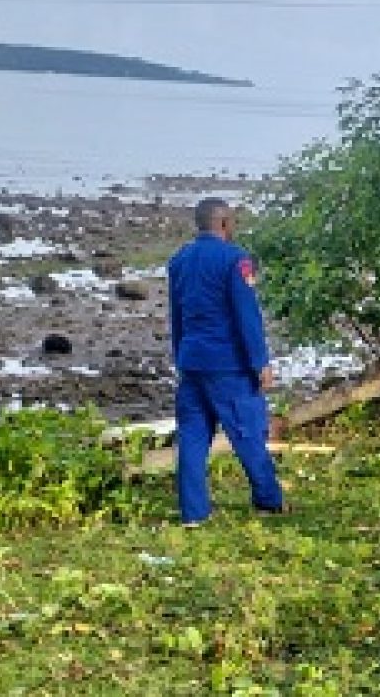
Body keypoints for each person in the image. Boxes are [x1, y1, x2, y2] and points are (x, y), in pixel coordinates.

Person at [167, 198, 286, 526]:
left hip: (192, 361)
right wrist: (260, 361)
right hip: (228, 364)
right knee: (249, 434)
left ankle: (193, 512)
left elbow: (177, 315)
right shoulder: (235, 259)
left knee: (192, 438)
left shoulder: (179, 260)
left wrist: (181, 356)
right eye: (232, 221)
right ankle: (268, 501)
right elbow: (246, 315)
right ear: (223, 223)